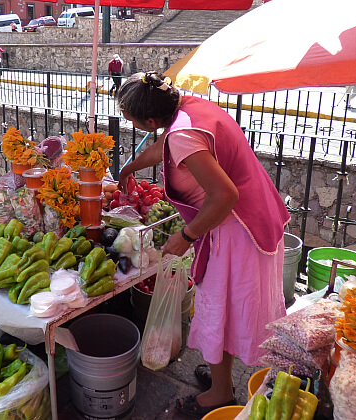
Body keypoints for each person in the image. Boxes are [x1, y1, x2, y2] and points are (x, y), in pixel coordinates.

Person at [117, 72, 290, 417]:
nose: (131, 125)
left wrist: (186, 236)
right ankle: (220, 381)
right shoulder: (191, 108)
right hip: (254, 216)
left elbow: (225, 195)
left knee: (218, 306)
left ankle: (221, 394)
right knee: (222, 307)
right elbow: (165, 147)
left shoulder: (182, 134)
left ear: (151, 119)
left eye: (132, 120)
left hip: (238, 229)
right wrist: (129, 168)